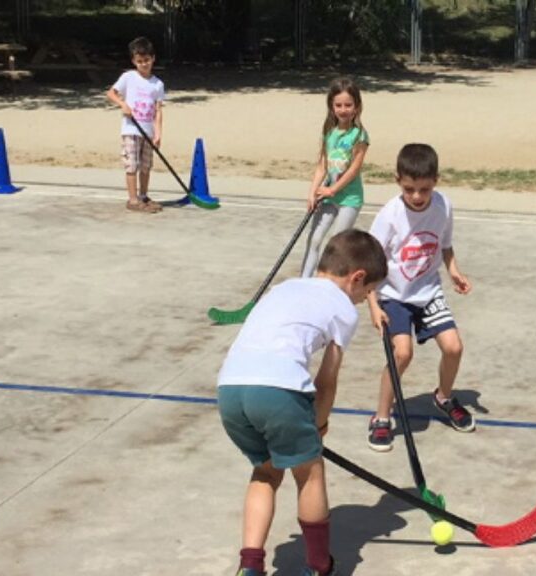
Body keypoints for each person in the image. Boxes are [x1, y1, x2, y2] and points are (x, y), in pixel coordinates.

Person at [217, 229, 387, 576]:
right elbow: (327, 381)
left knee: (265, 472)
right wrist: (320, 424)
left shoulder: (285, 287)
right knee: (309, 474)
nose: (363, 299)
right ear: (356, 278)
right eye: (366, 291)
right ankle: (319, 565)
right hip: (279, 390)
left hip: (230, 388)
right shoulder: (343, 308)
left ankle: (250, 566)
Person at [365, 143, 474, 452]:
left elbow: (445, 245)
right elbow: (370, 262)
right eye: (410, 188)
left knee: (453, 347)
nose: (416, 196)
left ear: (436, 181)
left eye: (423, 189)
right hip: (393, 295)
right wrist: (373, 306)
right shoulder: (389, 215)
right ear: (398, 180)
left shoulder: (443, 206)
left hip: (428, 291)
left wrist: (454, 271)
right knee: (402, 354)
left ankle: (443, 397)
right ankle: (382, 416)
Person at [300, 77, 370, 278]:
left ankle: (325, 282)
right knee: (314, 239)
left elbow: (353, 170)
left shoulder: (359, 136)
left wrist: (333, 189)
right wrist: (313, 191)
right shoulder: (329, 132)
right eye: (338, 105)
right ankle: (304, 281)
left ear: (356, 107)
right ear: (331, 106)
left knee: (334, 244)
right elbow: (322, 165)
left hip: (349, 199)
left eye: (348, 105)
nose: (343, 109)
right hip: (329, 196)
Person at [105, 36, 165, 213]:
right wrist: (123, 104)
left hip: (148, 130)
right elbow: (111, 93)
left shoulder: (158, 84)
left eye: (146, 60)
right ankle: (132, 199)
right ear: (133, 61)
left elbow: (158, 110)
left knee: (146, 165)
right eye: (139, 61)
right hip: (131, 129)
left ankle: (143, 196)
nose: (144, 64)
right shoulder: (128, 77)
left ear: (153, 58)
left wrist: (158, 132)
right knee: (132, 164)